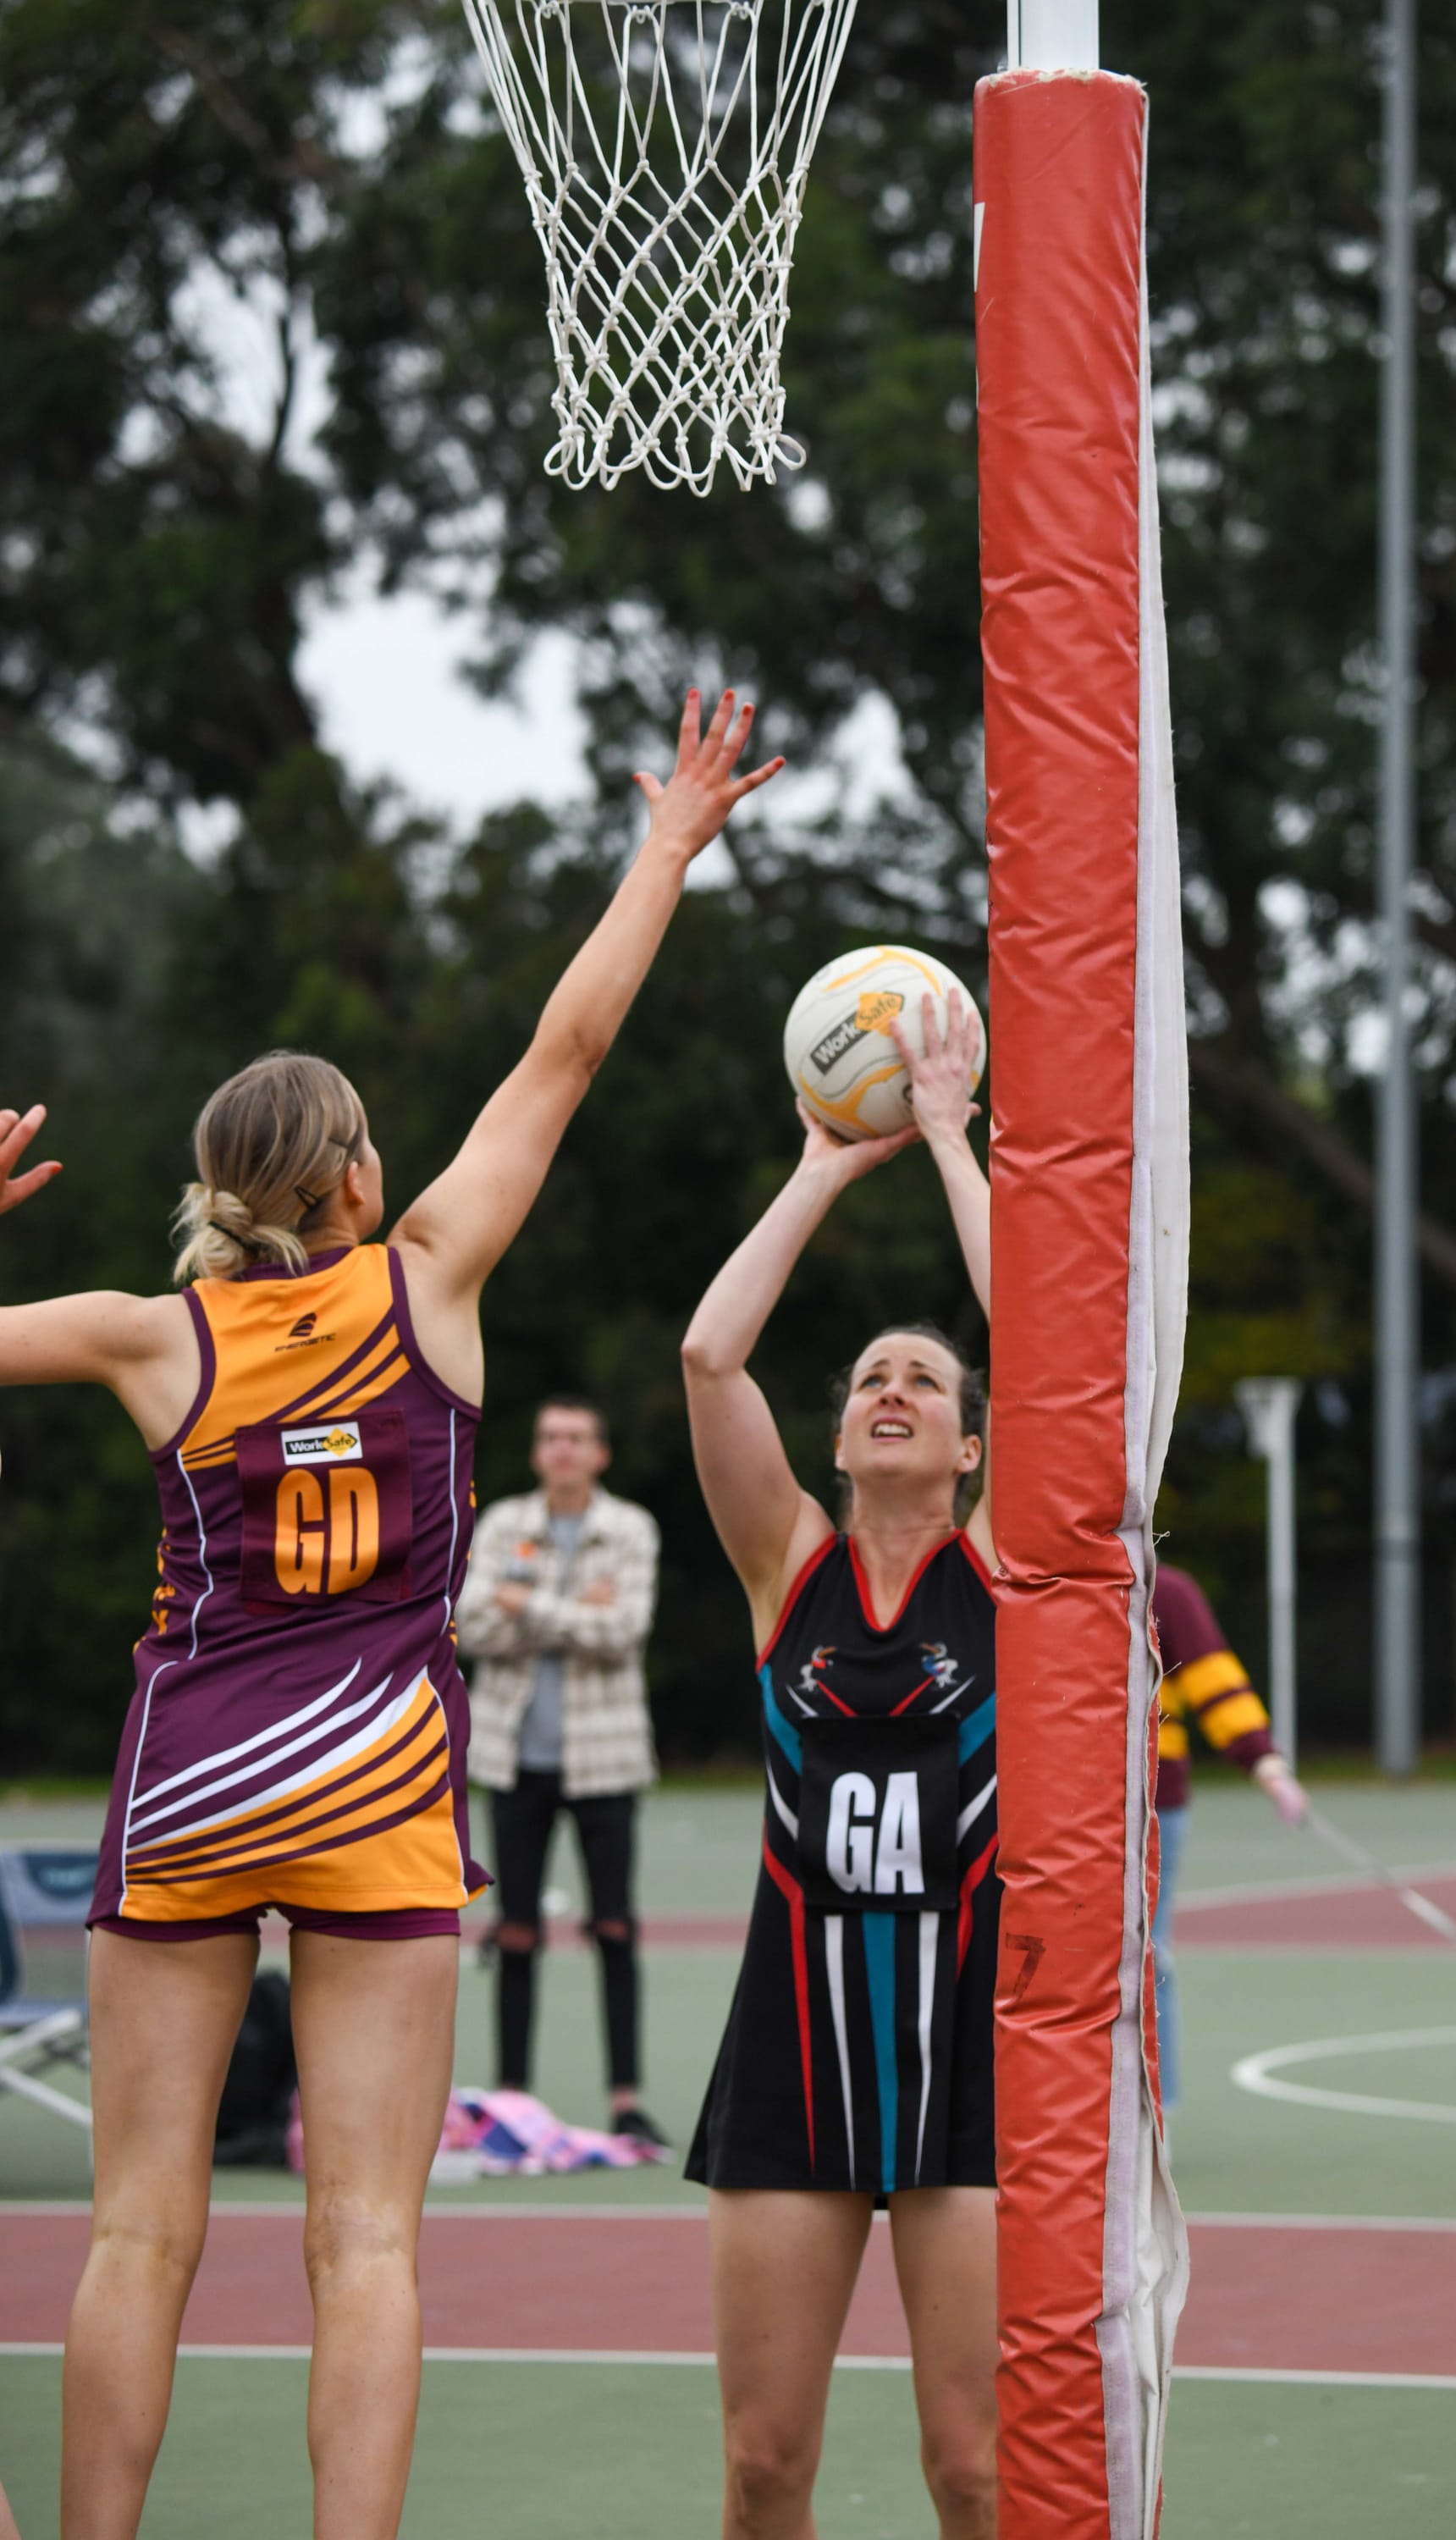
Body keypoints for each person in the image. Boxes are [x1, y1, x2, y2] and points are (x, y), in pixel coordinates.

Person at [0, 688, 779, 2540]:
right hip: (375, 1785)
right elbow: (568, 1048)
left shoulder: (145, 1333)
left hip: (189, 1779)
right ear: (357, 1180)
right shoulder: (431, 1275)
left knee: (137, 2225)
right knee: (366, 2237)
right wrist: (666, 842)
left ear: (215, 1188)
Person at [681, 987, 998, 2540]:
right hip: (791, 2064)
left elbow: (1069, 1357)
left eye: (926, 1382)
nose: (890, 1389)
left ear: (970, 1448)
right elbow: (709, 1353)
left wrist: (947, 1139)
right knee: (762, 2470)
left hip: (973, 2075)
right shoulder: (786, 1570)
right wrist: (825, 1159)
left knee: (980, 2473)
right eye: (871, 1376)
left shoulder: (1011, 1576)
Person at [459, 1394, 667, 2146]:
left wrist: (527, 1604)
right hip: (514, 1760)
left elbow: (624, 1632)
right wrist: (572, 1607)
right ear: (538, 1451)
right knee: (514, 1931)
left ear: (601, 1453)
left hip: (605, 1761)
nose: (564, 1449)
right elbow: (472, 1626)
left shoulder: (630, 1528)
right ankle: (513, 2099)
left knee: (614, 1927)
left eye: (578, 1437)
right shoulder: (503, 1523)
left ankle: (625, 2098)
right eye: (551, 1437)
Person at [1150, 1562, 1308, 2112]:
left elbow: (1213, 1679)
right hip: (1038, 1801)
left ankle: (1153, 2111)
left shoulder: (1163, 1589)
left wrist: (1261, 1759)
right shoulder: (1027, 1574)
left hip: (1149, 1801)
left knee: (1147, 1955)